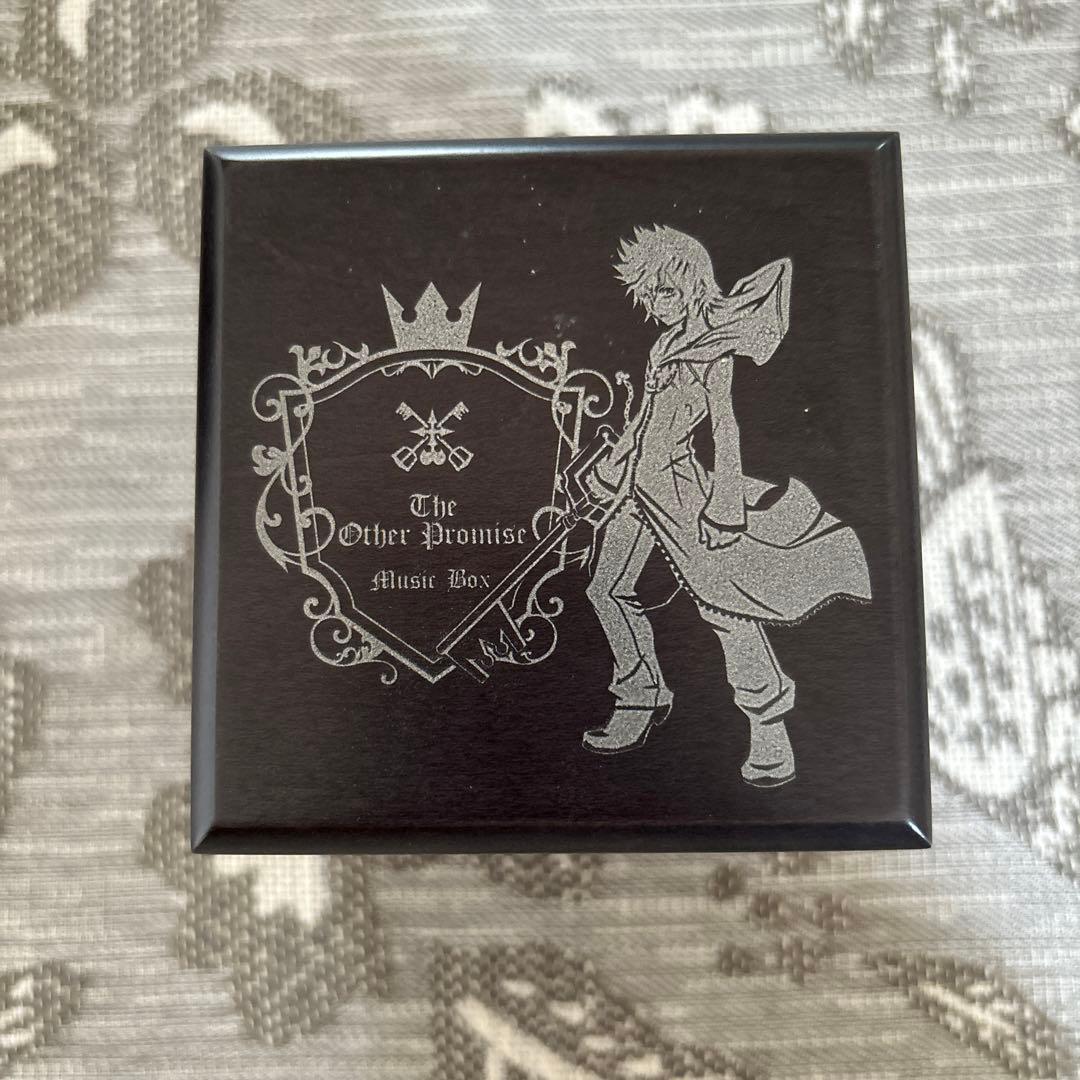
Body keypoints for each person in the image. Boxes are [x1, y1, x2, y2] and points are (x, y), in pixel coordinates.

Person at [581, 224, 871, 787]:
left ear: (694, 285)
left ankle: (769, 730)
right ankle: (640, 698)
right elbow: (643, 421)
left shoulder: (713, 349)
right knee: (605, 589)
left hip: (683, 493)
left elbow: (725, 427)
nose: (655, 305)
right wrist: (613, 466)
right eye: (648, 295)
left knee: (725, 607)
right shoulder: (663, 345)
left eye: (665, 291)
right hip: (637, 492)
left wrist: (725, 506)